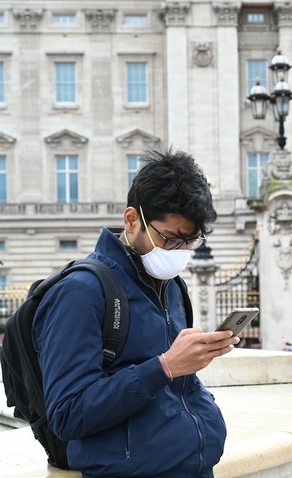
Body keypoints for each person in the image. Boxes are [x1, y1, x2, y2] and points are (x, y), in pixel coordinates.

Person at [33, 148, 234, 476]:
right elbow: (67, 414)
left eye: (190, 241)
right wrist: (164, 367)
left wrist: (190, 367)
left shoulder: (171, 286)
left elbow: (179, 388)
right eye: (171, 239)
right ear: (131, 219)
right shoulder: (81, 291)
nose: (180, 252)